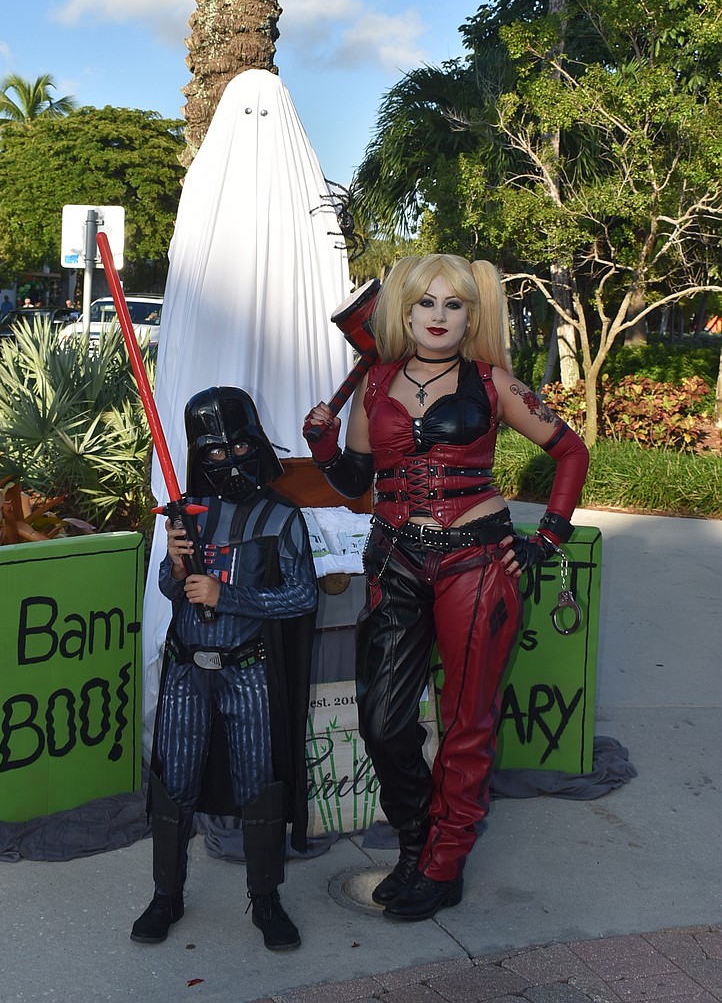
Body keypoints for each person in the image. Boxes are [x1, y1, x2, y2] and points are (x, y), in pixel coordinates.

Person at [303, 254, 589, 922]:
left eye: (452, 304)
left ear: (470, 314)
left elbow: (570, 451)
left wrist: (546, 537)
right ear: (404, 314)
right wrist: (323, 447)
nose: (438, 316)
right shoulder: (375, 384)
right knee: (382, 720)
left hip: (476, 560)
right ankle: (415, 844)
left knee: (466, 720)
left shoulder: (493, 384)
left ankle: (444, 861)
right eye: (425, 303)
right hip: (394, 560)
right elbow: (355, 483)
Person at [132, 386, 318, 952]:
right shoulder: (187, 513)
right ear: (198, 453)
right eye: (214, 451)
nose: (229, 460)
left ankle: (265, 898)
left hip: (249, 672)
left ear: (256, 442)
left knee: (260, 783)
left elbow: (302, 596)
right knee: (173, 782)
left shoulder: (282, 516)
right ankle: (166, 895)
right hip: (187, 672)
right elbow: (171, 589)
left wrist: (227, 595)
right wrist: (176, 565)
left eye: (239, 446)